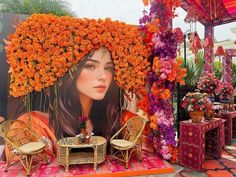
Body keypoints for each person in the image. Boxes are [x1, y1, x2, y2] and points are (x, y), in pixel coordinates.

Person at [4, 47, 126, 159]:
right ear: (66, 70)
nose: (103, 76)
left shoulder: (117, 119)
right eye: (90, 66)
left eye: (108, 68)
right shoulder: (32, 124)